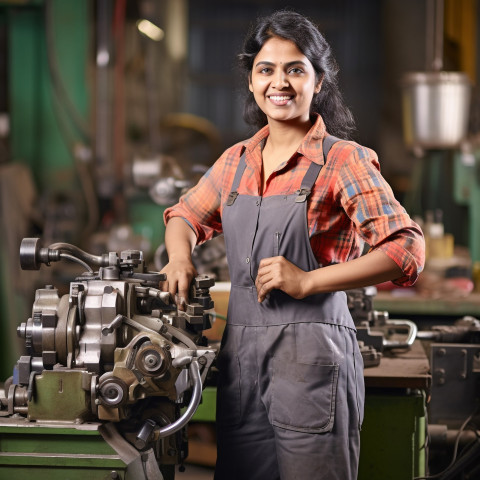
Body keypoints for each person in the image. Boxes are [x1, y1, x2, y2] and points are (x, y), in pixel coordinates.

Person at [161, 9, 425, 480]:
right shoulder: (236, 162)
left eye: (295, 69)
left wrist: (307, 281)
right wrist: (179, 257)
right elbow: (184, 214)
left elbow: (406, 250)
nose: (278, 83)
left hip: (313, 362)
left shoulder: (342, 160)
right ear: (250, 80)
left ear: (318, 81)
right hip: (242, 363)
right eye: (266, 69)